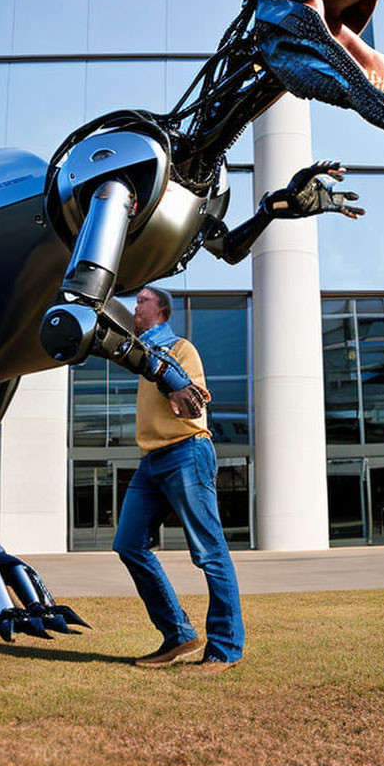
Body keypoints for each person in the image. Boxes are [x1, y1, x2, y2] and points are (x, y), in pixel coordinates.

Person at [112, 286, 245, 672]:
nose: (135, 307)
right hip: (151, 460)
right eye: (135, 301)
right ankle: (178, 634)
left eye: (142, 302)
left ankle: (225, 648)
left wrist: (175, 385)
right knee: (128, 544)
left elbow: (192, 396)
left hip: (187, 450)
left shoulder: (179, 348)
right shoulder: (139, 356)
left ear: (163, 311)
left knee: (208, 550)